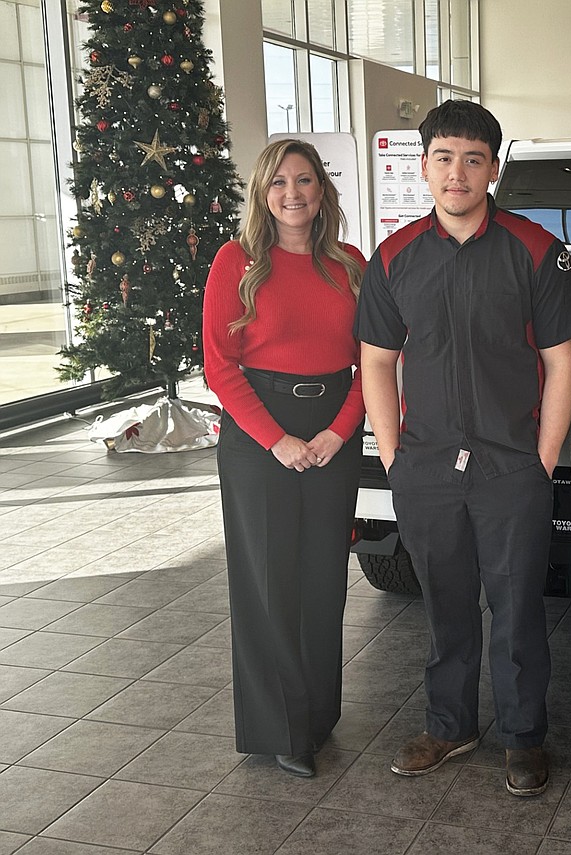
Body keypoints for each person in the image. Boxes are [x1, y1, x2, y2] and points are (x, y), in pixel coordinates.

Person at [355, 100, 571, 796]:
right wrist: (396, 459)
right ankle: (449, 724)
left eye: (474, 159)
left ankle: (523, 736)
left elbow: (561, 361)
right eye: (444, 158)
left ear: (492, 169)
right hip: (425, 467)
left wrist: (541, 459)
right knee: (445, 605)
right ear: (424, 166)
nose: (458, 173)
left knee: (517, 608)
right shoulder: (394, 257)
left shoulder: (536, 250)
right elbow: (374, 361)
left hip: (509, 465)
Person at [203, 139, 366, 779]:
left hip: (333, 432)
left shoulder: (351, 264)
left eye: (304, 180)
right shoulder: (237, 262)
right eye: (279, 183)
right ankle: (282, 729)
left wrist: (338, 431)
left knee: (323, 578)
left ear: (322, 190)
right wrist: (276, 439)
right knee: (270, 583)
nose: (292, 193)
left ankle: (318, 714)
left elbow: (376, 359)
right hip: (257, 433)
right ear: (262, 195)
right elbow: (220, 365)